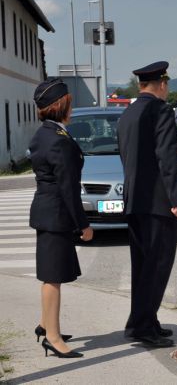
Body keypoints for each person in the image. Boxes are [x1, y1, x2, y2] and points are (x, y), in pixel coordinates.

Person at [117, 61, 177, 348]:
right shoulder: (160, 111)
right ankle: (143, 327)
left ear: (139, 86)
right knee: (157, 267)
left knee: (142, 266)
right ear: (161, 84)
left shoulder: (129, 113)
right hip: (158, 203)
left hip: (135, 200)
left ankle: (144, 320)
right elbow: (168, 158)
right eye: (167, 84)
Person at [29, 78, 94, 358]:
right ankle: (52, 338)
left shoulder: (45, 133)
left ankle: (46, 325)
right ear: (60, 105)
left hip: (48, 212)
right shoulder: (57, 140)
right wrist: (84, 224)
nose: (71, 106)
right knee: (52, 277)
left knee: (51, 273)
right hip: (56, 215)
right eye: (69, 102)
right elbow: (68, 189)